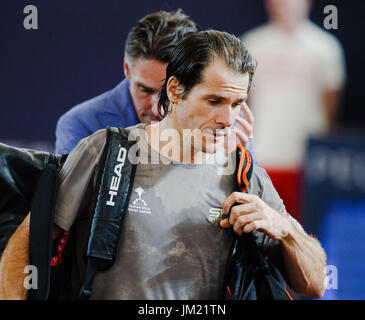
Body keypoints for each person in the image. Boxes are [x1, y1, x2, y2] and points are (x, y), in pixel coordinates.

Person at [0, 30, 327, 300]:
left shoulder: (245, 177)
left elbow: (314, 285)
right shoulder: (105, 151)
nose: (228, 119)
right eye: (214, 101)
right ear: (175, 90)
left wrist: (286, 231)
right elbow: (28, 241)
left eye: (237, 104)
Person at [55, 10, 256, 158]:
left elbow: (253, 207)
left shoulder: (225, 123)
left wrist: (233, 161)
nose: (156, 107)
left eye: (170, 92)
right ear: (127, 68)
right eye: (144, 89)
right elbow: (74, 209)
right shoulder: (81, 124)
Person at [241, 0, 346, 221]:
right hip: (262, 156)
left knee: (302, 228)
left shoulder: (326, 48)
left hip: (306, 162)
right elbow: (242, 101)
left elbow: (331, 106)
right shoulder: (252, 44)